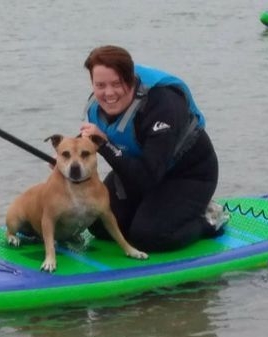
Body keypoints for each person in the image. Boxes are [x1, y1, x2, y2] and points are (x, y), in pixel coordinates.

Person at [79, 45, 227, 252]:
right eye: (100, 85)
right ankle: (152, 212)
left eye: (116, 84)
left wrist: (104, 145)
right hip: (140, 169)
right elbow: (88, 141)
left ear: (130, 79)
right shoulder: (97, 104)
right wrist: (65, 160)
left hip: (188, 176)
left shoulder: (162, 105)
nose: (108, 93)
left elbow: (147, 177)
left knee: (148, 236)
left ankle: (208, 219)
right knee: (98, 222)